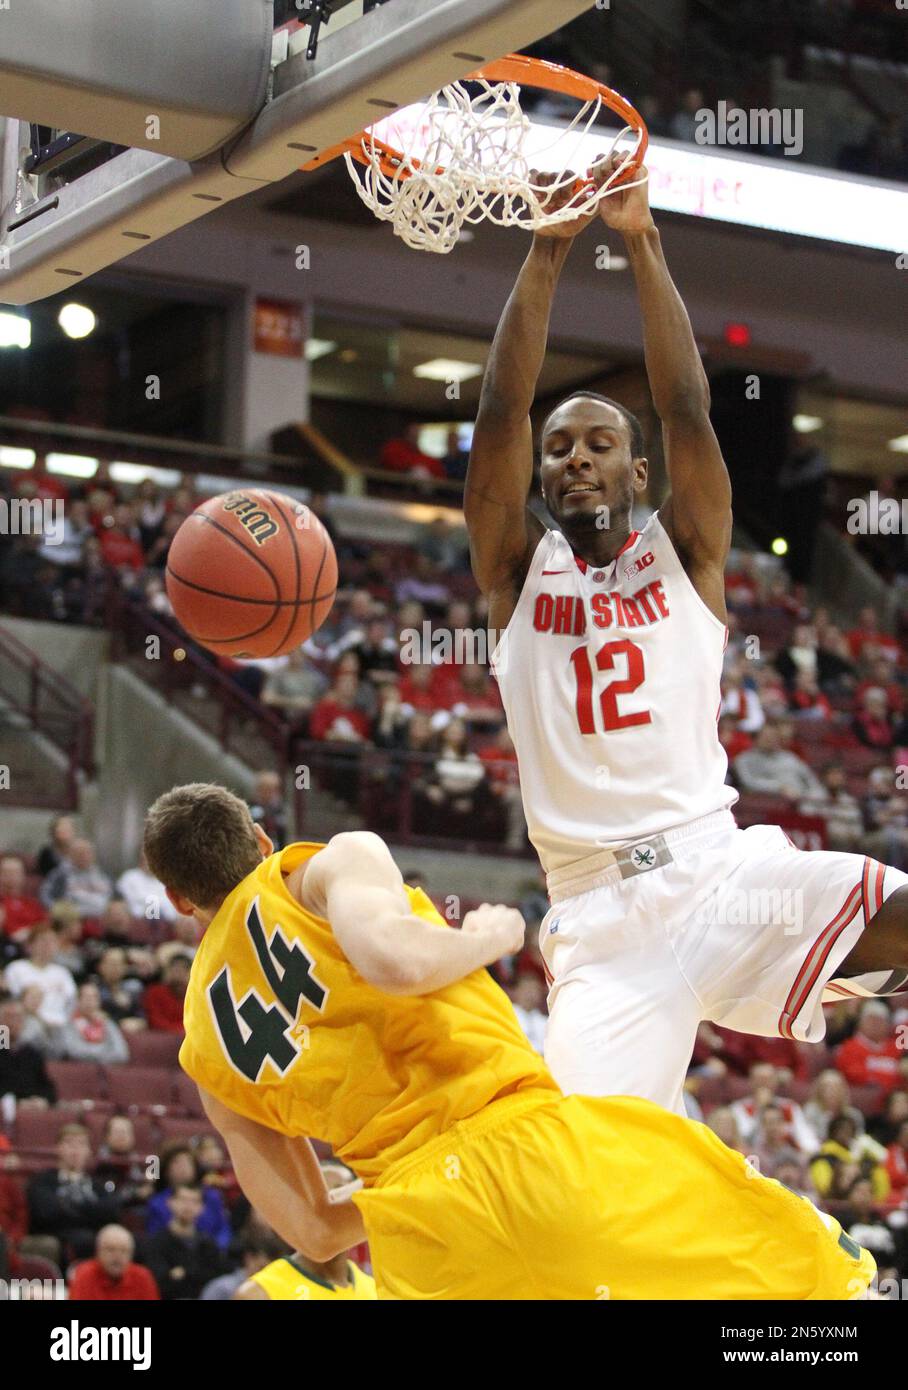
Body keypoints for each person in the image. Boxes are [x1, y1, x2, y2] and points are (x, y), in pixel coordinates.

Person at [464, 150, 908, 1115]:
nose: (575, 459)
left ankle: (854, 1000)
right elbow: (498, 411)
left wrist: (642, 239)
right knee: (586, 1164)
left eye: (600, 444)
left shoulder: (689, 552)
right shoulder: (516, 572)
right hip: (597, 917)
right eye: (558, 449)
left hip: (722, 874)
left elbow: (687, 408)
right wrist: (546, 251)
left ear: (639, 475)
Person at [138, 782, 875, 1300]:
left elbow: (315, 1230)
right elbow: (396, 962)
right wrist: (487, 935)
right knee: (810, 1278)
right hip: (531, 1156)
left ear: (176, 897)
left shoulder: (203, 1053)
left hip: (424, 1244)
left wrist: (407, 1189)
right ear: (262, 840)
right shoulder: (319, 866)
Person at [233, 1163, 376, 1301]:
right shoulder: (259, 1294)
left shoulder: (375, 1289)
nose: (331, 1211)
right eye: (322, 1198)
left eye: (341, 1195)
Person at [27, 1123, 121, 1262]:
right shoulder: (43, 1180)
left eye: (81, 1144)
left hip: (92, 1234)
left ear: (89, 1151)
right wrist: (90, 1211)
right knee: (84, 1240)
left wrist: (69, 1207)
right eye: (69, 1143)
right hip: (58, 1234)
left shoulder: (97, 1184)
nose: (75, 1150)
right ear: (58, 1148)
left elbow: (111, 1211)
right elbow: (46, 1212)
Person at [142, 1183, 225, 1300]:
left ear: (201, 1207)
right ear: (170, 1202)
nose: (188, 1206)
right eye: (183, 1200)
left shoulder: (208, 1244)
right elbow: (160, 1282)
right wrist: (194, 1274)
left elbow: (215, 1278)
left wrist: (183, 1273)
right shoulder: (156, 1243)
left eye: (194, 1201)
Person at [3, 922, 76, 1032]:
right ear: (30, 945)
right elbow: (12, 1002)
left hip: (60, 1025)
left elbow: (71, 1003)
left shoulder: (63, 973)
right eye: (43, 941)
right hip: (28, 1024)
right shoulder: (16, 968)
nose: (47, 946)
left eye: (52, 941)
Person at [68, 1224, 159, 1301]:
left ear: (131, 1255)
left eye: (124, 1251)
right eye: (110, 1250)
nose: (117, 1257)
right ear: (98, 1252)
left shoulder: (142, 1277)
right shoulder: (84, 1275)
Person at [58, 982, 130, 1065]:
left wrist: (96, 1057)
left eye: (94, 998)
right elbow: (74, 1051)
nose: (90, 1002)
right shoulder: (68, 1023)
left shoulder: (107, 1023)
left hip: (107, 1069)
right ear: (78, 1001)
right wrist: (104, 1052)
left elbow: (122, 1054)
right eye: (87, 998)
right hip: (80, 1069)